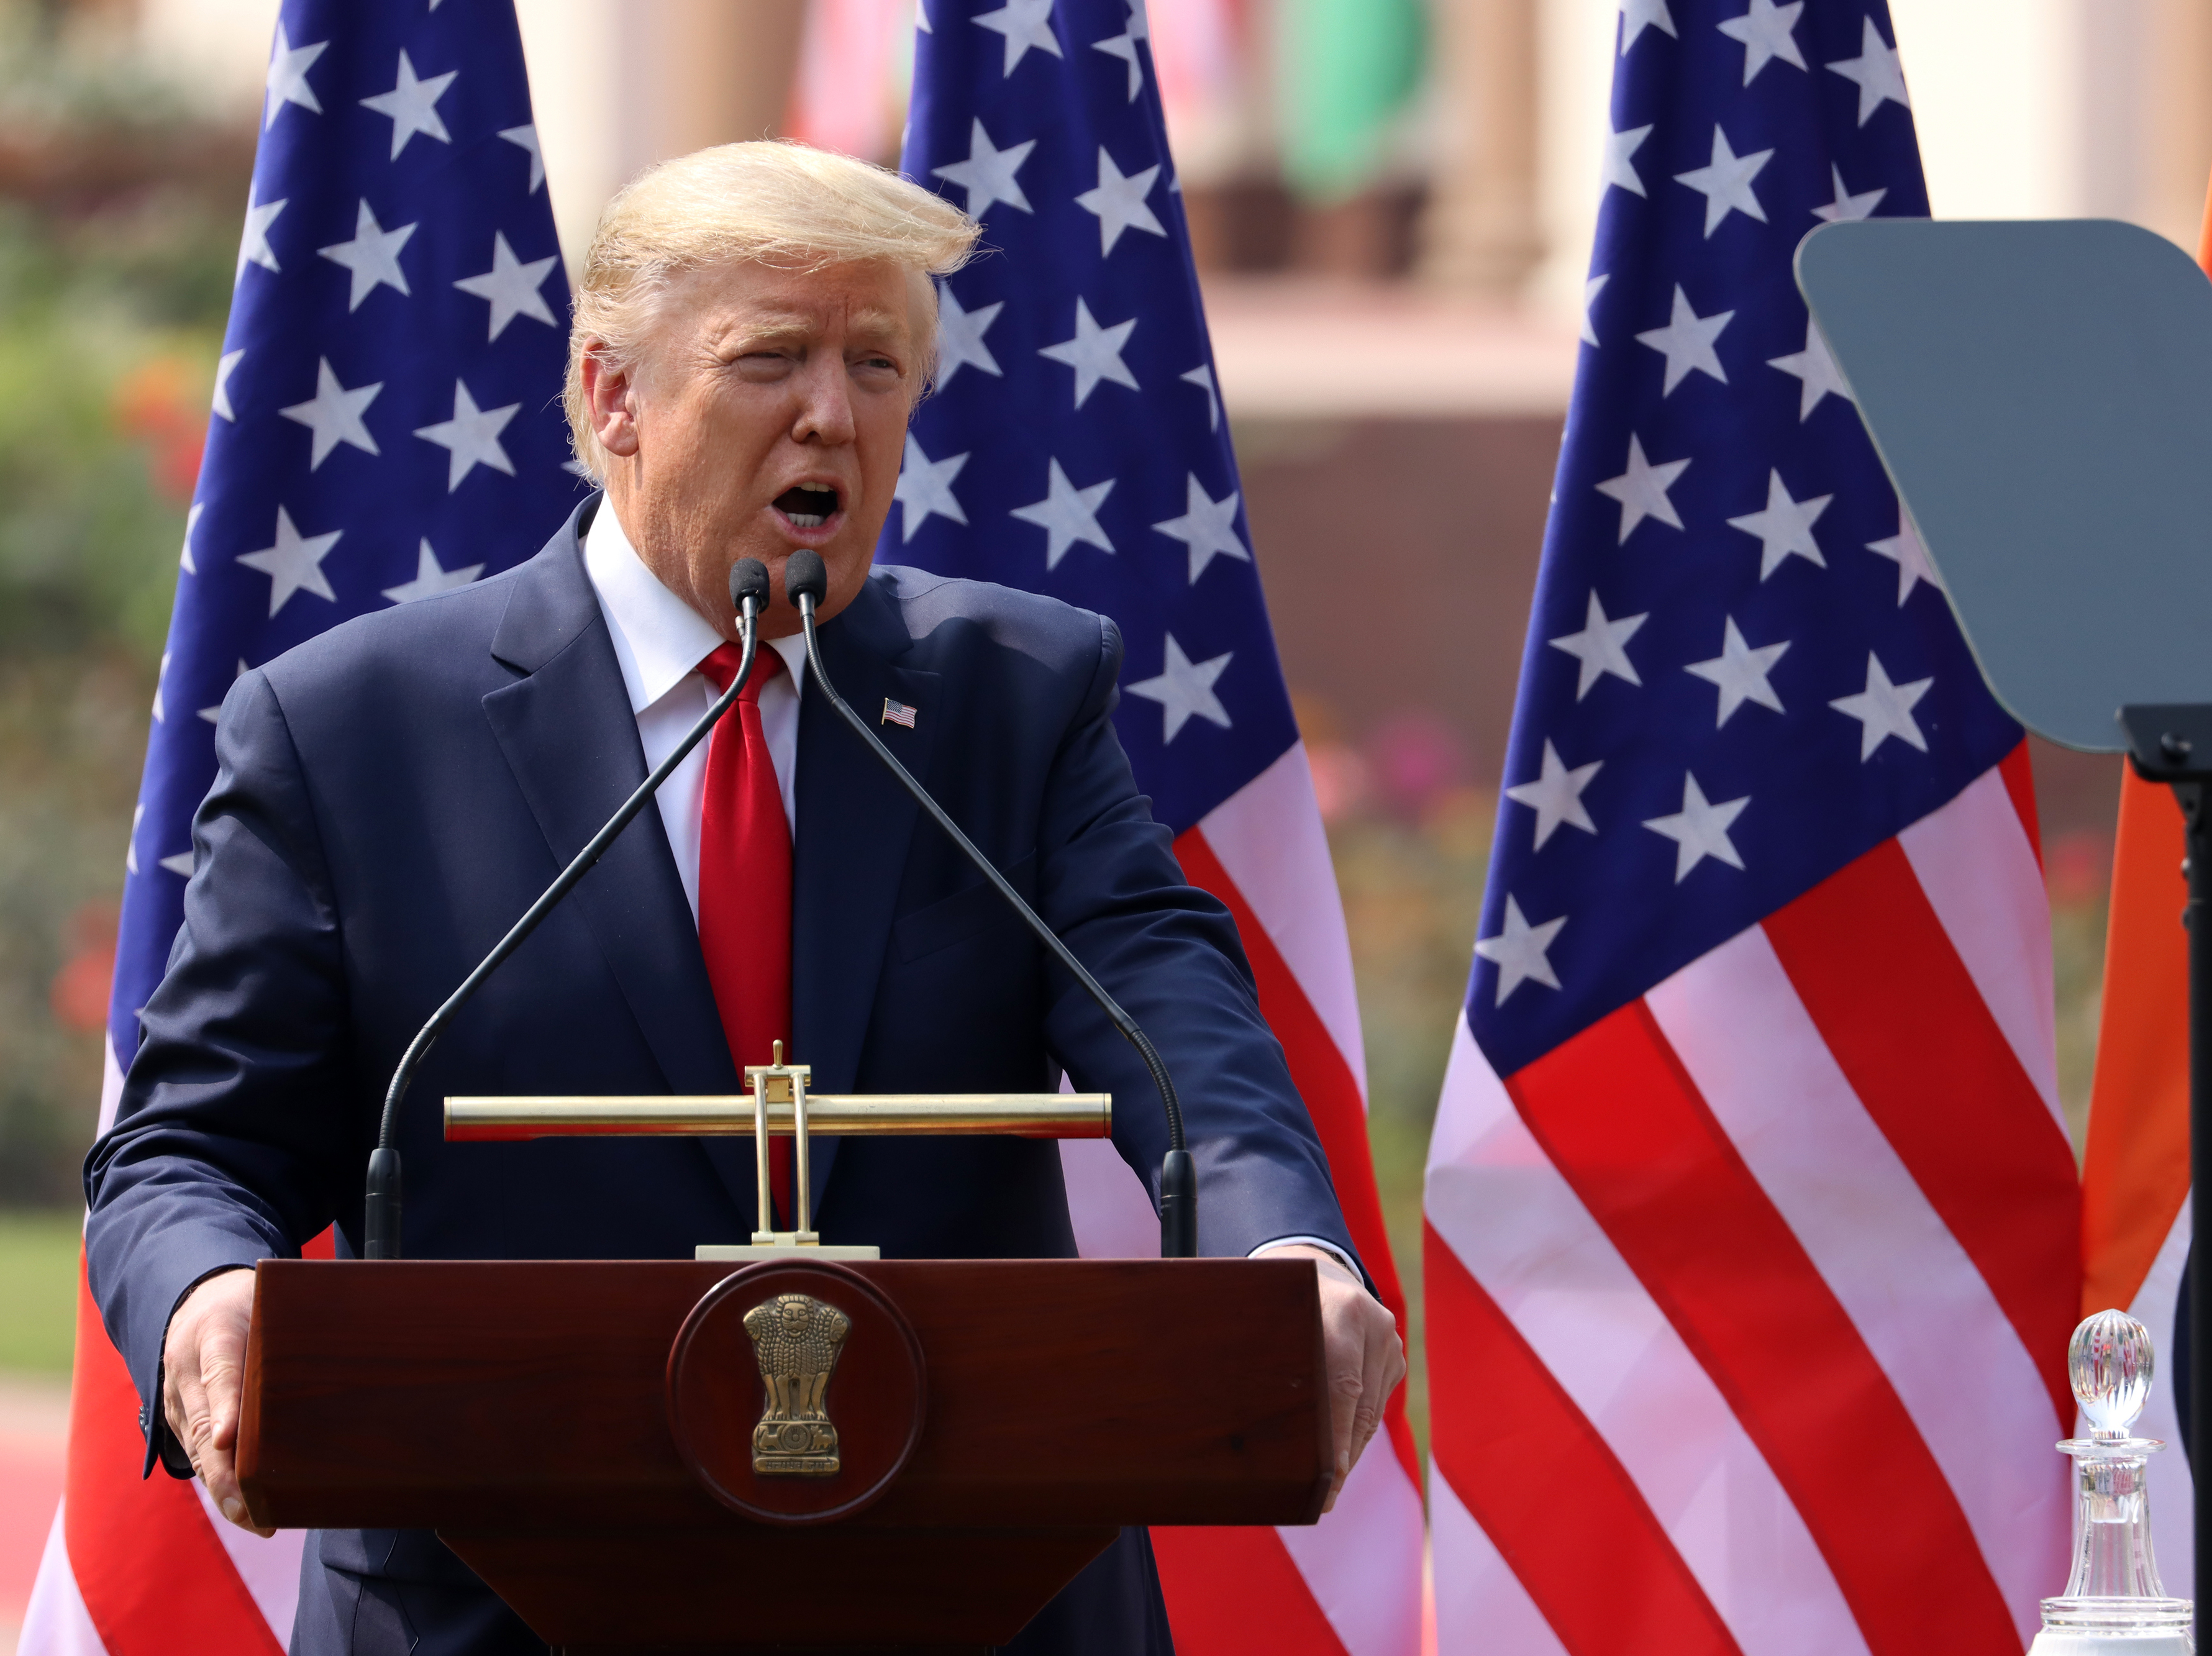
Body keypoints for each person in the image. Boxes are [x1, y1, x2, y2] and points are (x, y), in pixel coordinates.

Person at [84, 142, 1404, 1656]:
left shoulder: (1011, 700)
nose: (832, 415)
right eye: (769, 357)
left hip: (972, 1595)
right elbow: (187, 1147)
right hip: (498, 1604)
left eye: (877, 364)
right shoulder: (353, 733)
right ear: (611, 398)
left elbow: (1180, 1031)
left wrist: (1278, 1252)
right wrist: (206, 1308)